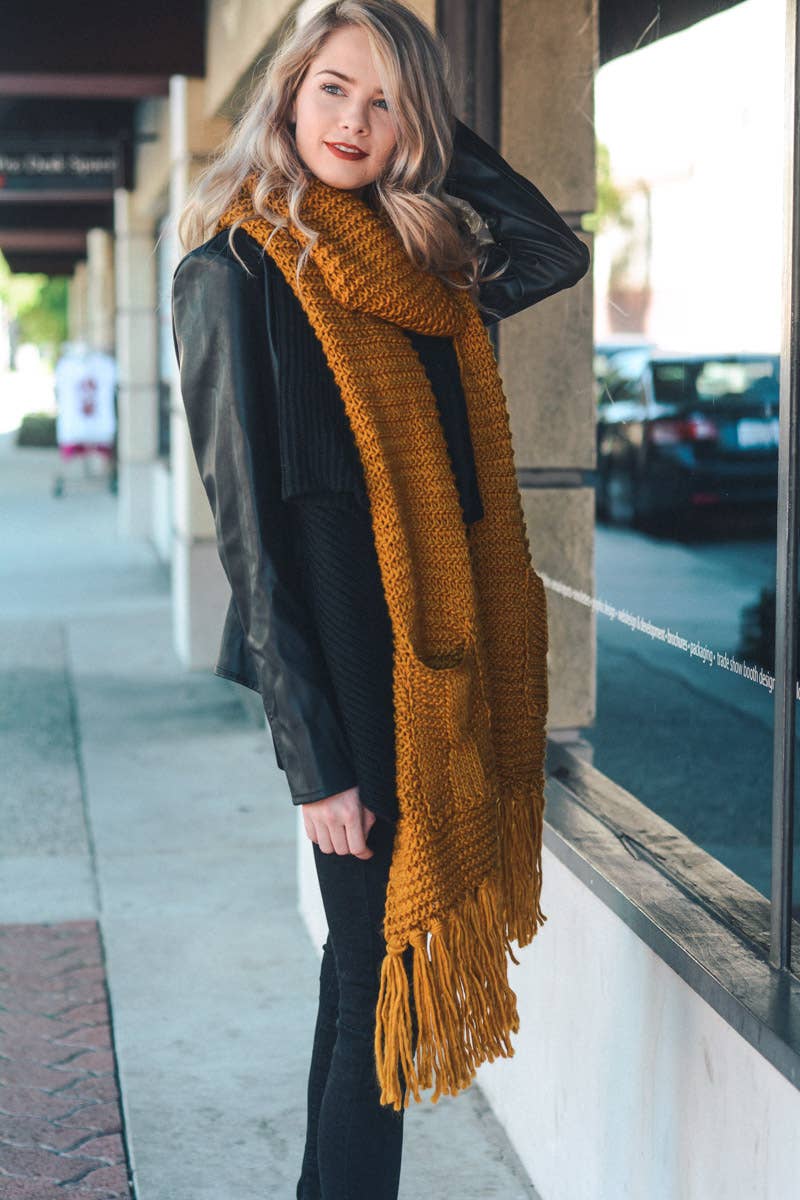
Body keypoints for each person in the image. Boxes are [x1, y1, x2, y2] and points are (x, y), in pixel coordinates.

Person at [171, 3, 590, 1197]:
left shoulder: (422, 270)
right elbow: (252, 548)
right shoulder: (231, 275)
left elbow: (549, 250)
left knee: (357, 974)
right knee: (375, 982)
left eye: (384, 99)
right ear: (287, 95)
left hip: (439, 663)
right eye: (333, 90)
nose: (354, 122)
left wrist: (428, 128)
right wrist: (313, 763)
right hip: (351, 688)